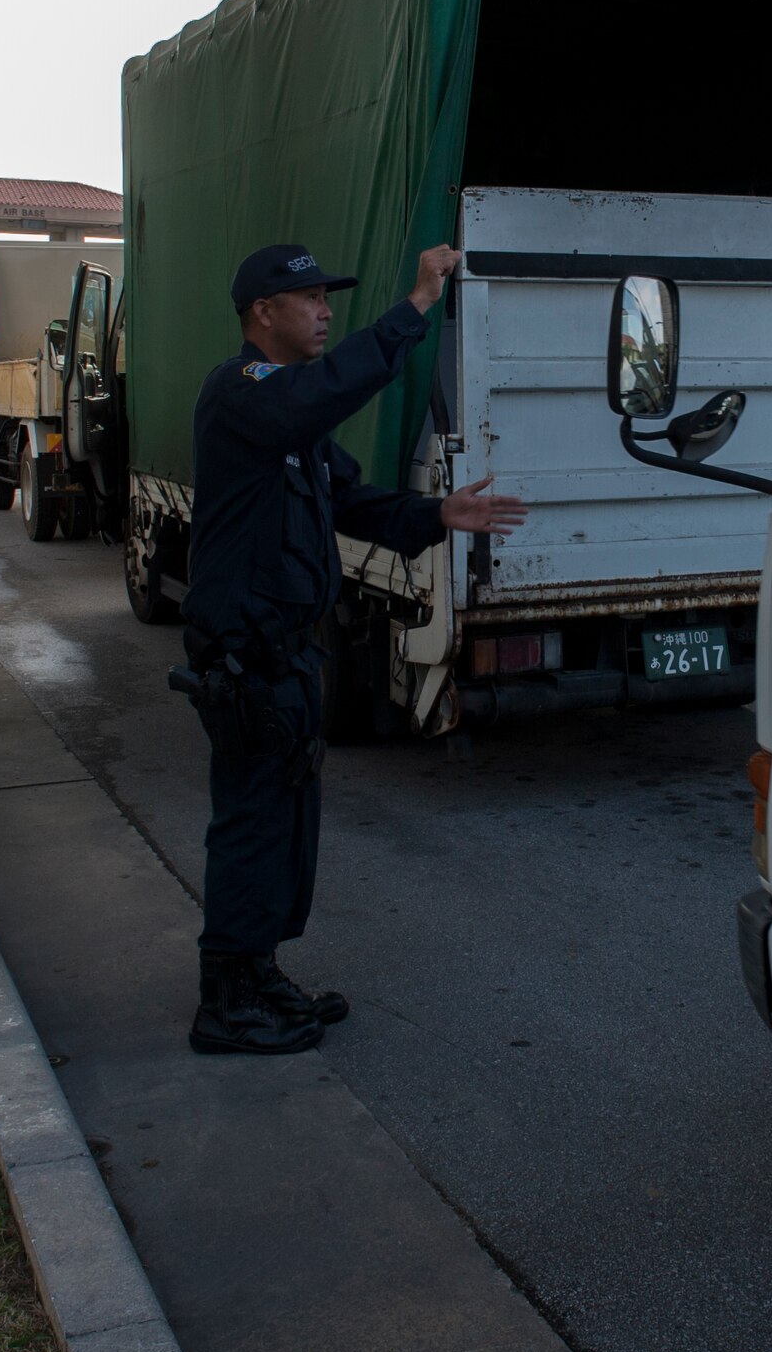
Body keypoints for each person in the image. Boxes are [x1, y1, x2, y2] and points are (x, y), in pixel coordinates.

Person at [177, 242, 527, 1055]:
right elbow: (325, 393)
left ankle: (257, 973)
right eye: (310, 298)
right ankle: (224, 1001)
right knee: (251, 824)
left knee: (287, 821)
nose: (326, 310)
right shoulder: (244, 393)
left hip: (289, 656)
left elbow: (353, 499)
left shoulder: (289, 422)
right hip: (247, 657)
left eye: (329, 299)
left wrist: (436, 515)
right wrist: (412, 310)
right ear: (264, 313)